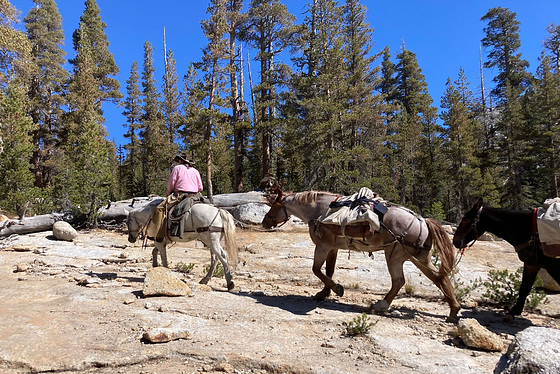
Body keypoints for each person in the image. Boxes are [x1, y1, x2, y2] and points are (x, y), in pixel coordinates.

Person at [146, 152, 203, 241]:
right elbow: (200, 187)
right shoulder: (195, 171)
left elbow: (171, 183)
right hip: (195, 195)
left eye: (178, 161)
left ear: (181, 161)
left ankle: (158, 235)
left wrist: (168, 193)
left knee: (159, 209)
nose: (177, 162)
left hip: (180, 195)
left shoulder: (177, 168)